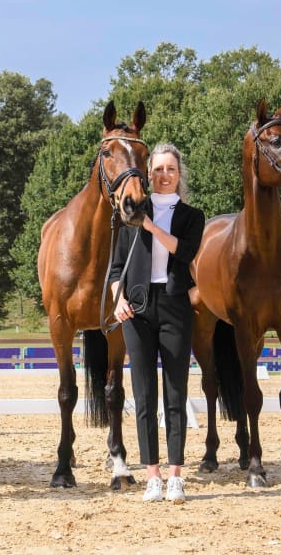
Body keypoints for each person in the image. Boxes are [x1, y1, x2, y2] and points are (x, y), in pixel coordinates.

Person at [108, 143, 204, 504]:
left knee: (175, 392)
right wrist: (118, 299)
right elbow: (116, 268)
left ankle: (176, 475)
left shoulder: (192, 216)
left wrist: (148, 224)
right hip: (137, 309)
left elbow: (184, 251)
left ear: (179, 175)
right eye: (159, 169)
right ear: (149, 174)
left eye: (171, 169)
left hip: (175, 306)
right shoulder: (128, 213)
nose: (164, 175)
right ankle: (152, 475)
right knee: (144, 395)